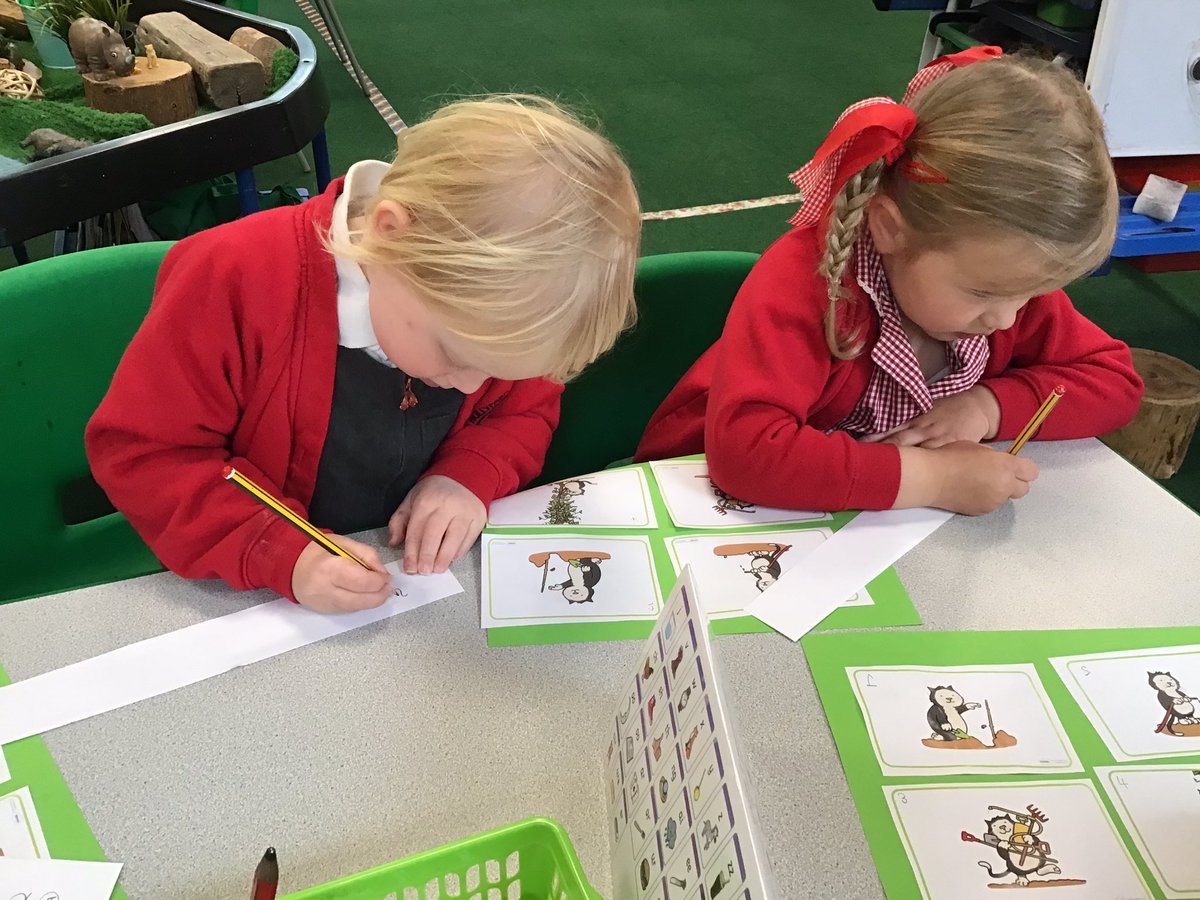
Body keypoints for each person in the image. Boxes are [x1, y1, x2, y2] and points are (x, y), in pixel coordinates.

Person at [87, 95, 640, 612]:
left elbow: (523, 409)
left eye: (497, 370)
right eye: (454, 355)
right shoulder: (232, 278)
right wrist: (282, 552)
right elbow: (148, 456)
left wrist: (468, 474)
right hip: (245, 588)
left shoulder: (489, 319)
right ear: (390, 236)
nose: (474, 388)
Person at [636, 48, 1141, 515]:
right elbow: (748, 454)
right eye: (983, 294)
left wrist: (988, 406)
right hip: (702, 507)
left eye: (1032, 293)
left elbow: (1115, 380)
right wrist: (934, 480)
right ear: (889, 228)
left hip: (850, 525)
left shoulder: (1004, 276)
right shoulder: (809, 284)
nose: (1006, 319)